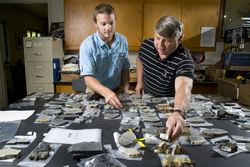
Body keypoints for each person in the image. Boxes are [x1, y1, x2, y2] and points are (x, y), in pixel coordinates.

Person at [135, 15, 194, 142]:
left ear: (179, 39)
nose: (160, 45)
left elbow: (184, 86)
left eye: (166, 40)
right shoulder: (146, 45)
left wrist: (178, 112)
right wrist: (140, 82)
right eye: (157, 38)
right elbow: (140, 59)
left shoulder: (185, 59)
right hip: (147, 101)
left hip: (170, 109)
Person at [80, 3, 135, 110]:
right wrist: (106, 92)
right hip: (95, 94)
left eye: (111, 23)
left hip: (117, 91)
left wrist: (127, 89)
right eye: (103, 24)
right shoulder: (87, 44)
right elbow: (87, 77)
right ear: (95, 24)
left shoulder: (123, 40)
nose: (108, 28)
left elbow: (125, 67)